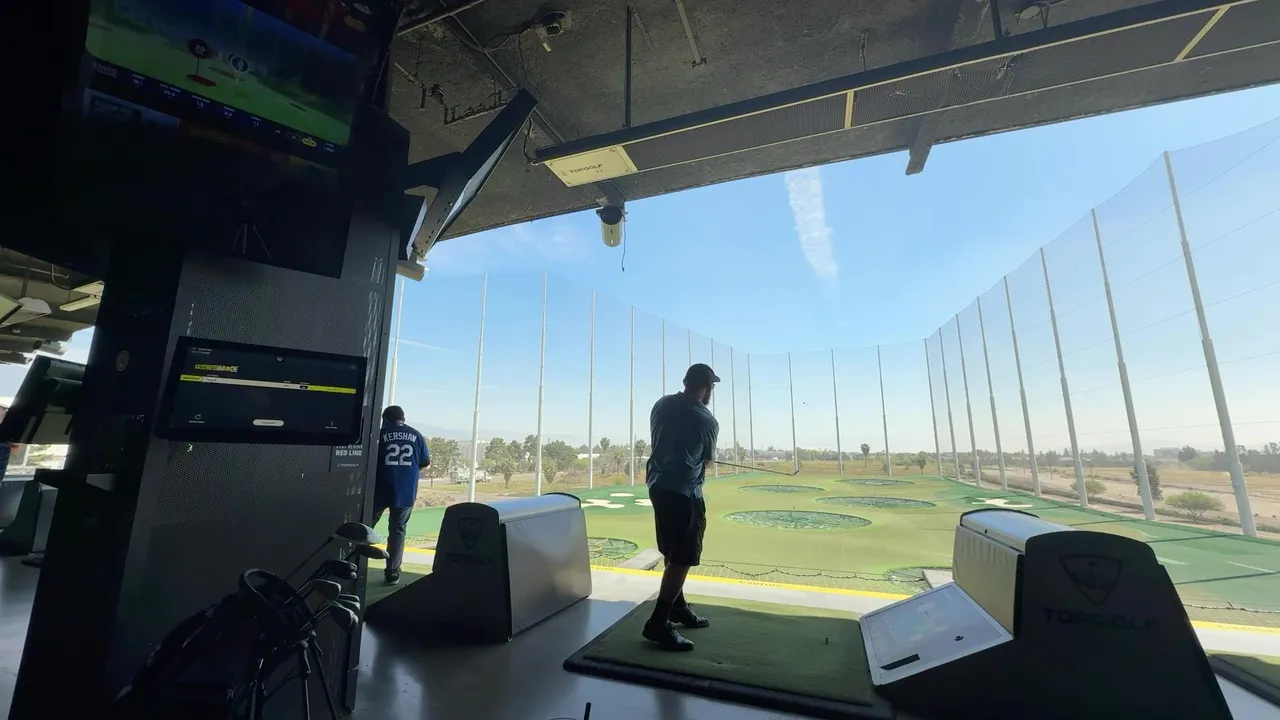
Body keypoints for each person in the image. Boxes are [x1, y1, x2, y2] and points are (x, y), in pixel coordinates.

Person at [641, 363, 720, 651]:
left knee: (672, 551)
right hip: (685, 493)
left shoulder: (661, 404)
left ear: (685, 381)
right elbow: (707, 460)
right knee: (683, 556)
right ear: (707, 388)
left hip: (658, 486)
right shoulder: (707, 420)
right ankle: (659, 622)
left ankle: (678, 607)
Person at [374, 405, 429, 585]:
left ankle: (353, 565)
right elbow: (424, 462)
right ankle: (392, 572)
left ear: (385, 419)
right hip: (405, 492)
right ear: (403, 418)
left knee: (364, 528)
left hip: (380, 489)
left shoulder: (380, 434)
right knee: (397, 531)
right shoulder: (416, 435)